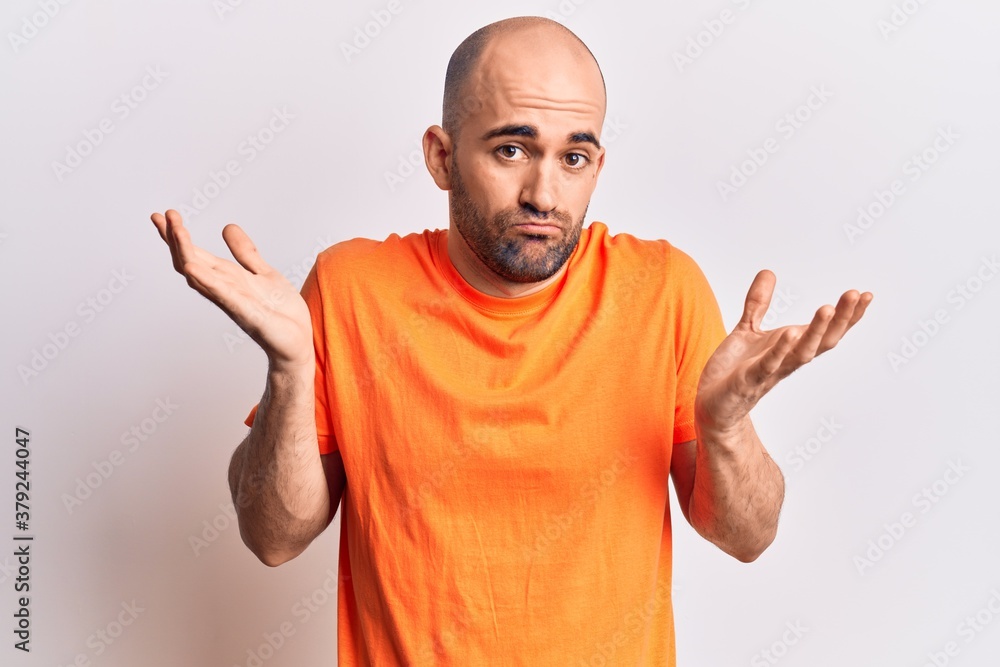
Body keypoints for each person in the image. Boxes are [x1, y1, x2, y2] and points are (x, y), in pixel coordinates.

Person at [151, 15, 872, 666]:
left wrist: (725, 428)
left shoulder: (662, 290)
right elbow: (274, 536)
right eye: (511, 149)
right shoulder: (352, 289)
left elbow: (746, 536)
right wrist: (289, 370)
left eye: (573, 158)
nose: (544, 195)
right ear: (441, 156)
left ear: (597, 164)